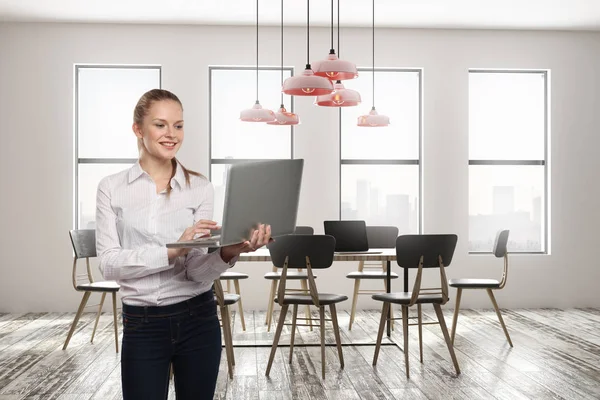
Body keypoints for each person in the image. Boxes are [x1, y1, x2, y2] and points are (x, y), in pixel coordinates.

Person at [95, 88, 271, 400]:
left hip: (199, 319)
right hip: (142, 323)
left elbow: (195, 273)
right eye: (160, 124)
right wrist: (173, 248)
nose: (171, 134)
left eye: (178, 125)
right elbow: (109, 264)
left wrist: (231, 251)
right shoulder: (111, 189)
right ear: (138, 129)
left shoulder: (200, 188)